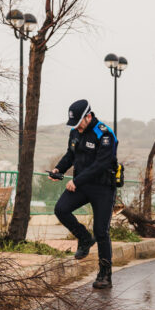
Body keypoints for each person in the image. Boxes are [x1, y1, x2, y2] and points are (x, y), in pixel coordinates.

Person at [50, 99, 119, 290]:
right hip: (82, 185)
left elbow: (101, 164)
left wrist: (77, 181)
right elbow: (70, 155)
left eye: (79, 122)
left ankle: (105, 274)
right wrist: (58, 169)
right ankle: (85, 238)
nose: (76, 127)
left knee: (101, 231)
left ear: (88, 116)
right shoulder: (75, 131)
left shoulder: (104, 133)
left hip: (103, 187)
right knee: (61, 209)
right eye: (74, 123)